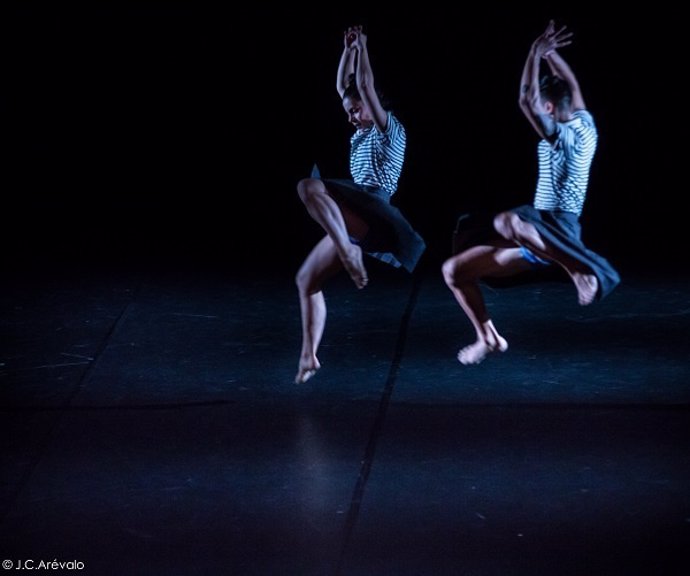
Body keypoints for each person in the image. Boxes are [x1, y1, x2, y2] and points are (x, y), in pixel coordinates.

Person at [442, 20, 620, 365]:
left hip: (557, 228)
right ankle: (488, 338)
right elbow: (571, 85)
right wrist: (552, 55)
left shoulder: (563, 138)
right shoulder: (587, 124)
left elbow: (526, 99)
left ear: (550, 110)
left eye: (544, 107)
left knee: (510, 219)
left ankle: (579, 271)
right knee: (454, 271)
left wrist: (534, 53)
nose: (539, 110)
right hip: (536, 237)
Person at [294, 25, 425, 384]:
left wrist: (364, 46)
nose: (351, 117)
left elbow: (364, 87)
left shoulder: (390, 129)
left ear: (374, 106)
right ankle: (309, 356)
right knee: (306, 279)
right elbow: (345, 87)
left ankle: (349, 252)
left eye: (356, 111)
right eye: (349, 112)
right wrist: (347, 50)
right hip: (355, 216)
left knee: (310, 185)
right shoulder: (360, 133)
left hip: (374, 208)